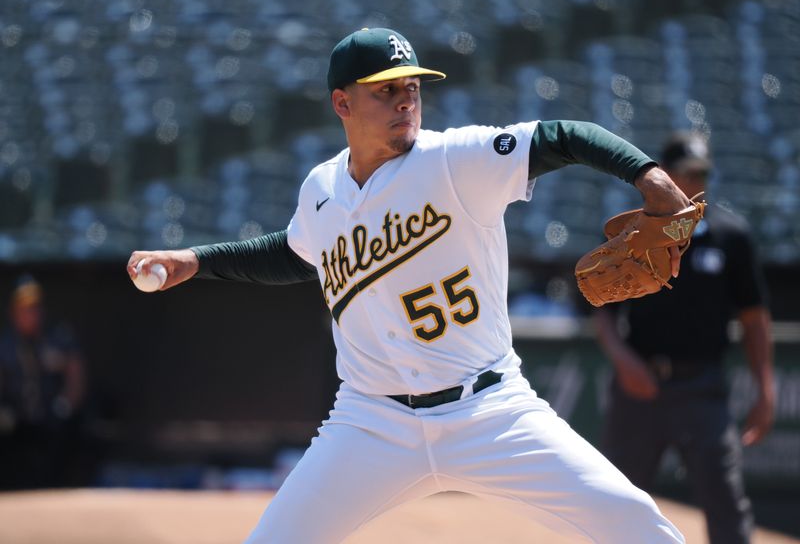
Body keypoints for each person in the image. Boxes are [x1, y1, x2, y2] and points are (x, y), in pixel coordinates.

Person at [128, 27, 690, 543]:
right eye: (385, 90)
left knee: (635, 524)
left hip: (491, 411)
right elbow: (295, 253)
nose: (405, 99)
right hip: (371, 423)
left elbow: (567, 135)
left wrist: (650, 177)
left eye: (412, 87)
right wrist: (194, 261)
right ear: (342, 103)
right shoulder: (321, 187)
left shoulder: (455, 159)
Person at [594, 132, 775, 544]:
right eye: (685, 172)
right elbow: (602, 315)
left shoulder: (731, 236)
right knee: (613, 499)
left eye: (702, 173)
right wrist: (624, 361)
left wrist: (765, 389)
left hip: (702, 387)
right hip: (639, 389)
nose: (694, 181)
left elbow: (755, 318)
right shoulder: (634, 232)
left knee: (726, 502)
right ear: (666, 175)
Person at [0, 276, 87, 489]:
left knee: (65, 442)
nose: (31, 315)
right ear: (13, 313)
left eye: (35, 309)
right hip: (17, 425)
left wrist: (66, 404)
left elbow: (76, 374)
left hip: (51, 421)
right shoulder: (6, 345)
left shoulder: (57, 338)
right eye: (25, 310)